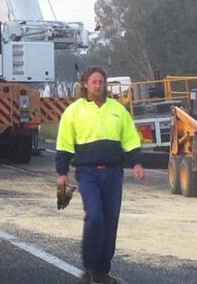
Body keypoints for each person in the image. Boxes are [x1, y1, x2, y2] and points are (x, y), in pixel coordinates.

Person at [56, 66, 145, 284]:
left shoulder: (118, 109)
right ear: (85, 84)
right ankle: (89, 266)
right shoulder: (74, 111)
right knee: (95, 215)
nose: (98, 86)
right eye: (94, 82)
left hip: (114, 173)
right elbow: (64, 143)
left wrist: (136, 163)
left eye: (101, 82)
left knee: (110, 220)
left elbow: (131, 139)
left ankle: (102, 271)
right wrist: (62, 172)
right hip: (88, 173)